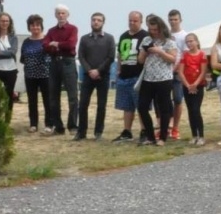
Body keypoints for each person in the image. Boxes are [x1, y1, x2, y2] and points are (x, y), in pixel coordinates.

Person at [136, 14, 178, 145]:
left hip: (164, 78)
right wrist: (145, 51)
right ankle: (150, 136)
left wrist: (160, 51)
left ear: (161, 28)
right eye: (151, 29)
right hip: (148, 78)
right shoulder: (146, 39)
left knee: (164, 108)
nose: (153, 32)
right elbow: (140, 60)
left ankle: (163, 137)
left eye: (155, 29)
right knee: (142, 106)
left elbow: (172, 59)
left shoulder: (169, 41)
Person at [76, 12, 114, 141]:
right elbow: (81, 56)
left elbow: (111, 57)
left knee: (101, 105)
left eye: (99, 20)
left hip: (103, 76)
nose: (96, 22)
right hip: (88, 76)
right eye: (94, 20)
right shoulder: (84, 39)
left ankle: (98, 132)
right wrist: (90, 71)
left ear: (103, 22)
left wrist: (98, 71)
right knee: (83, 104)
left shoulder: (109, 38)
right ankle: (81, 132)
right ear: (91, 22)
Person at [112, 11, 148, 142]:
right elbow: (120, 54)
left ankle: (145, 131)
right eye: (130, 20)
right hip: (124, 76)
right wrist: (118, 70)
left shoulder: (145, 36)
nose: (132, 23)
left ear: (141, 21)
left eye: (135, 21)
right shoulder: (123, 36)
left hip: (138, 76)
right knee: (127, 106)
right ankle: (127, 131)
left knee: (141, 106)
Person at [43, 4, 78, 134]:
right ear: (55, 15)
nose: (61, 15)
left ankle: (72, 125)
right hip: (54, 63)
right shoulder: (51, 31)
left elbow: (71, 44)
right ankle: (58, 127)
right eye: (59, 13)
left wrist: (56, 44)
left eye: (63, 13)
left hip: (68, 62)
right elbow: (45, 45)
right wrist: (56, 46)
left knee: (72, 96)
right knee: (53, 96)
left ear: (68, 15)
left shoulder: (73, 29)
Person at [20, 15, 52, 133]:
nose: (35, 27)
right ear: (29, 27)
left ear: (41, 26)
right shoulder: (26, 42)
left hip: (45, 75)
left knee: (47, 100)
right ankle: (33, 124)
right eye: (32, 25)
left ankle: (49, 124)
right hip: (30, 75)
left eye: (37, 25)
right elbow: (23, 58)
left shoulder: (47, 39)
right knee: (32, 101)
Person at [178, 31, 208, 146]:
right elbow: (181, 72)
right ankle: (194, 135)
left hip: (198, 86)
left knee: (196, 110)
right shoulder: (185, 55)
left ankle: (201, 136)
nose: (189, 44)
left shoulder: (202, 54)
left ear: (197, 42)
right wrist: (188, 85)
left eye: (191, 41)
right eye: (187, 42)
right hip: (187, 86)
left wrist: (195, 84)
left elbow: (203, 71)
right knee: (190, 110)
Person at [167, 10, 187, 141]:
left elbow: (184, 55)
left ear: (180, 20)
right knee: (164, 100)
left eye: (175, 19)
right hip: (165, 71)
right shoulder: (166, 34)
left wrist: (177, 68)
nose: (173, 22)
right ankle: (166, 126)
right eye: (171, 19)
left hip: (178, 72)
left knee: (178, 99)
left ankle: (175, 127)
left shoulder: (184, 36)